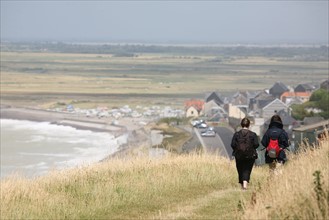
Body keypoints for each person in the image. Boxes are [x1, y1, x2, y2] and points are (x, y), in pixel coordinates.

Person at [231, 118, 259, 190]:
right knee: (247, 169)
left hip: (239, 155)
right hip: (250, 155)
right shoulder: (253, 134)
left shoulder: (237, 134)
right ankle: (245, 185)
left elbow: (233, 144)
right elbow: (256, 144)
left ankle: (242, 184)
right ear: (249, 125)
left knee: (240, 169)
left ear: (241, 124)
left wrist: (237, 149)